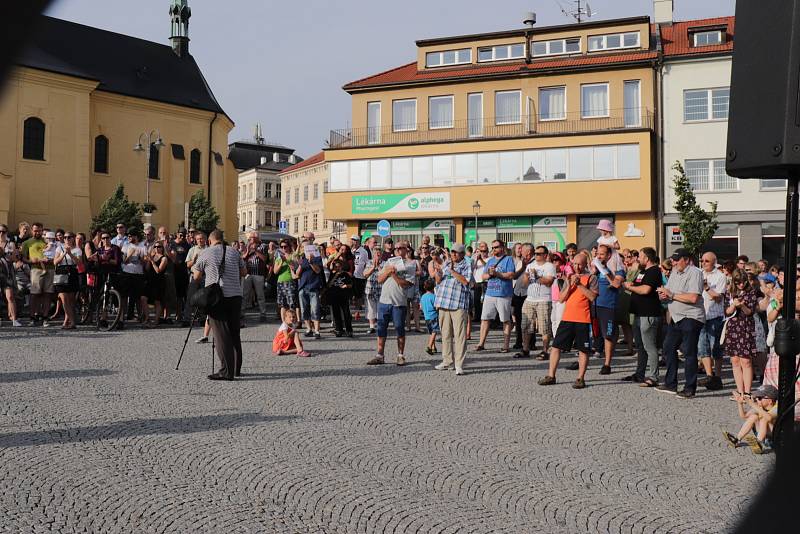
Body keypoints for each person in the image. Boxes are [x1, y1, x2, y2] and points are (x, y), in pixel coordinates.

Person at [192, 230, 247, 380]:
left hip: (217, 298)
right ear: (222, 240)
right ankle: (236, 369)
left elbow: (196, 277)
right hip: (235, 295)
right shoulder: (234, 252)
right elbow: (244, 272)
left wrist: (196, 269)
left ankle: (226, 372)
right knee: (235, 333)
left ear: (210, 241)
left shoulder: (206, 252)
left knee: (221, 335)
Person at [538, 252, 598, 389]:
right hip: (567, 317)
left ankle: (580, 378)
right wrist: (571, 284)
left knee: (583, 349)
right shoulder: (569, 278)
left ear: (585, 264)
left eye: (580, 264)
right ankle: (551, 375)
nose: (577, 266)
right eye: (575, 264)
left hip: (583, 319)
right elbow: (561, 298)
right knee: (556, 347)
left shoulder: (591, 278)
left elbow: (592, 297)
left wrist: (580, 285)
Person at [656, 248, 706, 399]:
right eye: (673, 259)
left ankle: (689, 388)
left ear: (687, 259)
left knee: (689, 353)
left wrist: (671, 295)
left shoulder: (695, 272)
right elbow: (669, 293)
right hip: (676, 317)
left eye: (677, 260)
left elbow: (693, 298)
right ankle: (671, 383)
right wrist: (663, 296)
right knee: (668, 347)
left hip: (691, 317)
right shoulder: (674, 273)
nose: (674, 262)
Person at [368, 241, 413, 366]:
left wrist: (393, 275)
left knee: (399, 329)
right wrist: (387, 272)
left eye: (401, 248)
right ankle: (380, 354)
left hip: (399, 302)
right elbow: (379, 279)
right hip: (384, 301)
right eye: (396, 248)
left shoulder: (410, 265)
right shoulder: (388, 262)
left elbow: (406, 284)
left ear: (406, 250)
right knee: (381, 329)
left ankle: (400, 355)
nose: (398, 250)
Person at [476, 238, 525, 352]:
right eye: (492, 247)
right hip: (490, 293)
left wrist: (497, 273)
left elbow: (511, 274)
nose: (494, 249)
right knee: (485, 319)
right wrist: (490, 274)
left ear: (502, 247)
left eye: (496, 247)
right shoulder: (490, 260)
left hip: (503, 294)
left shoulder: (508, 259)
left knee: (505, 320)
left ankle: (505, 345)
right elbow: (483, 276)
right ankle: (481, 343)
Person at [624, 247, 663, 386]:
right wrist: (631, 284)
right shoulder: (643, 272)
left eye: (640, 256)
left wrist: (630, 288)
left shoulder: (654, 271)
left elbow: (646, 290)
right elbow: (637, 284)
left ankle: (653, 377)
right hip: (639, 314)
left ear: (647, 258)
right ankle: (639, 373)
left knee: (650, 346)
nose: (637, 259)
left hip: (649, 314)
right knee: (640, 346)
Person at [432, 243, 472, 375]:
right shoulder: (447, 263)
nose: (453, 254)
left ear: (462, 254)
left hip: (458, 304)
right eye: (452, 252)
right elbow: (438, 281)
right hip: (443, 302)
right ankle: (447, 361)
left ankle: (459, 364)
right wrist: (438, 273)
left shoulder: (466, 265)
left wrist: (453, 272)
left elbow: (466, 281)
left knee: (460, 336)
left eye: (456, 252)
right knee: (445, 334)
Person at [723, 268, 758, 400]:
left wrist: (742, 305)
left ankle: (748, 392)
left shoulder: (751, 292)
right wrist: (733, 306)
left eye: (743, 282)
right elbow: (726, 311)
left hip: (745, 328)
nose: (741, 285)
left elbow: (750, 312)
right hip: (733, 328)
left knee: (746, 360)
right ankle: (740, 391)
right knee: (735, 360)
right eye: (738, 282)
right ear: (734, 282)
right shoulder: (730, 292)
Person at [591, 244, 626, 375]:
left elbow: (616, 284)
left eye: (602, 254)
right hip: (595, 304)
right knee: (595, 334)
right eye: (597, 254)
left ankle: (607, 364)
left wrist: (605, 270)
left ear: (609, 255)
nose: (599, 256)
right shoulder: (596, 268)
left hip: (608, 306)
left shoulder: (618, 268)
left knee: (608, 335)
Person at [518, 244, 556, 360]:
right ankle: (525, 349)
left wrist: (536, 276)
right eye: (535, 253)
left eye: (539, 254)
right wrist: (526, 275)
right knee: (525, 325)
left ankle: (545, 350)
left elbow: (549, 282)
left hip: (543, 300)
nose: (536, 255)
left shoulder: (549, 266)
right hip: (530, 298)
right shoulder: (530, 265)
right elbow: (524, 283)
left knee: (544, 326)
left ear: (545, 255)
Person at [697, 252, 727, 391]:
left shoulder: (720, 276)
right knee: (703, 347)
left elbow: (719, 298)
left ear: (714, 262)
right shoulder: (698, 273)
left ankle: (718, 377)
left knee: (716, 347)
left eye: (707, 261)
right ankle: (710, 376)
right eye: (702, 260)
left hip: (715, 316)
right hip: (700, 315)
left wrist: (707, 287)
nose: (704, 263)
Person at [723, 384, 777, 454]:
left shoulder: (777, 407)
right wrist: (740, 403)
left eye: (760, 398)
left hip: (774, 439)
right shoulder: (759, 406)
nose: (757, 400)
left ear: (770, 400)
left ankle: (759, 443)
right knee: (753, 417)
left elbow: (769, 418)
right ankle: (736, 440)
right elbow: (744, 416)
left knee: (764, 419)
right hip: (764, 436)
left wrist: (752, 404)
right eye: (756, 398)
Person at [21, 223, 54, 326]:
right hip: (36, 270)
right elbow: (23, 258)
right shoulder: (27, 243)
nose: (37, 232)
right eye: (35, 231)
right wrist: (31, 261)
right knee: (34, 294)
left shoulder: (48, 241)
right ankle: (32, 318)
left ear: (42, 230)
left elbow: (55, 253)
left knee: (47, 294)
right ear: (32, 230)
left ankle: (45, 318)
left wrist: (52, 259)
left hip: (50, 269)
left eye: (39, 230)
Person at [294, 240, 324, 338]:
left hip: (313, 287)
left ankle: (317, 331)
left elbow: (318, 270)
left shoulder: (317, 257)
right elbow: (297, 274)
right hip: (303, 287)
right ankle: (308, 329)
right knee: (304, 310)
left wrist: (311, 262)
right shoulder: (302, 259)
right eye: (303, 247)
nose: (305, 249)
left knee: (315, 309)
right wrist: (300, 265)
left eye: (307, 247)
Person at [53, 232, 82, 329]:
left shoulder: (77, 250)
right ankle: (72, 322)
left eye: (69, 237)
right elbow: (55, 262)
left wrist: (70, 253)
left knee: (70, 301)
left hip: (72, 272)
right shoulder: (59, 248)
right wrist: (64, 253)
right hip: (61, 273)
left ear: (73, 238)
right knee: (64, 299)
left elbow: (79, 262)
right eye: (65, 237)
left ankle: (66, 321)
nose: (66, 239)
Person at [241, 231, 269, 323]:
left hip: (258, 274)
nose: (250, 239)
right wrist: (248, 250)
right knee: (245, 294)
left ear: (257, 238)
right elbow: (243, 258)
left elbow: (264, 259)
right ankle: (241, 313)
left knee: (260, 295)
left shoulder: (263, 246)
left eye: (251, 237)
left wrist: (256, 250)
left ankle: (263, 314)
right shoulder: (248, 245)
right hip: (248, 274)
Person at [120, 230, 148, 325]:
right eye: (128, 236)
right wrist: (130, 254)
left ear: (136, 237)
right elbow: (124, 261)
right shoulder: (126, 246)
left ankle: (140, 316)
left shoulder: (142, 247)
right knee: (124, 296)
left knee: (138, 297)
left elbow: (145, 263)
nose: (129, 238)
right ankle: (121, 317)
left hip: (138, 274)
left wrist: (140, 257)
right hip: (127, 273)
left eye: (131, 236)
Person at [274, 239, 300, 324]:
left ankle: (292, 322)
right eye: (281, 247)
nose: (283, 248)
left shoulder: (293, 255)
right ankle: (284, 323)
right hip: (280, 282)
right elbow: (275, 271)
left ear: (289, 247)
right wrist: (281, 262)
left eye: (285, 246)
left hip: (290, 281)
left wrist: (287, 260)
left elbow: (294, 267)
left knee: (291, 303)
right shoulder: (278, 258)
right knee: (283, 304)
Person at [326, 259, 354, 337]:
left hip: (344, 296)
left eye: (339, 266)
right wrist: (335, 275)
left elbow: (351, 284)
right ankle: (339, 330)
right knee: (336, 314)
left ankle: (349, 330)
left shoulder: (345, 274)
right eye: (336, 266)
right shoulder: (332, 274)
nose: (337, 267)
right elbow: (328, 285)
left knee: (346, 313)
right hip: (334, 296)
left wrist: (346, 286)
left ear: (341, 266)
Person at [0, 224, 21, 326]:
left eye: (3, 232)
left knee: (10, 296)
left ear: (6, 233)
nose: (1, 233)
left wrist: (6, 253)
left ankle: (14, 319)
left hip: (7, 272)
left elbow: (15, 259)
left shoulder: (10, 244)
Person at [144, 241, 168, 328]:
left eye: (159, 247)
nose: (157, 249)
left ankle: (156, 321)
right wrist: (148, 261)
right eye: (155, 247)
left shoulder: (164, 258)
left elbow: (158, 271)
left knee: (157, 302)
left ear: (162, 248)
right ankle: (147, 318)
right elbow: (147, 269)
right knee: (143, 298)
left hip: (159, 282)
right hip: (150, 281)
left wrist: (152, 261)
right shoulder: (152, 256)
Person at [170, 229, 192, 322]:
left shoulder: (187, 245)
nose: (182, 237)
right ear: (177, 234)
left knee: (182, 295)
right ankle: (173, 314)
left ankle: (181, 315)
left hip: (183, 272)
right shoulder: (172, 244)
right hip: (173, 271)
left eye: (184, 235)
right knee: (173, 295)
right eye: (180, 235)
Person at [511, 243, 529, 350]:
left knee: (529, 319)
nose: (520, 251)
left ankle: (531, 342)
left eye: (522, 249)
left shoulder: (532, 261)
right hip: (517, 292)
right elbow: (515, 276)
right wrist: (522, 267)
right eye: (519, 249)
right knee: (518, 318)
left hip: (528, 293)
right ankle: (518, 341)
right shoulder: (517, 262)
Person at [363, 240, 383, 334]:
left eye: (379, 254)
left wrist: (378, 267)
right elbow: (365, 274)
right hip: (370, 289)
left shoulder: (385, 263)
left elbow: (385, 275)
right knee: (371, 309)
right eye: (376, 254)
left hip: (381, 290)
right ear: (373, 254)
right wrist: (373, 267)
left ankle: (380, 326)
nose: (378, 255)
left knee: (380, 308)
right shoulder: (369, 263)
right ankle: (372, 326)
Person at [420, 278, 439, 355]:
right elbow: (436, 307)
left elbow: (421, 307)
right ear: (433, 287)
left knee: (431, 332)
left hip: (426, 317)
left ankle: (433, 347)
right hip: (434, 316)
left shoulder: (423, 296)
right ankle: (429, 346)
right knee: (434, 331)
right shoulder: (434, 296)